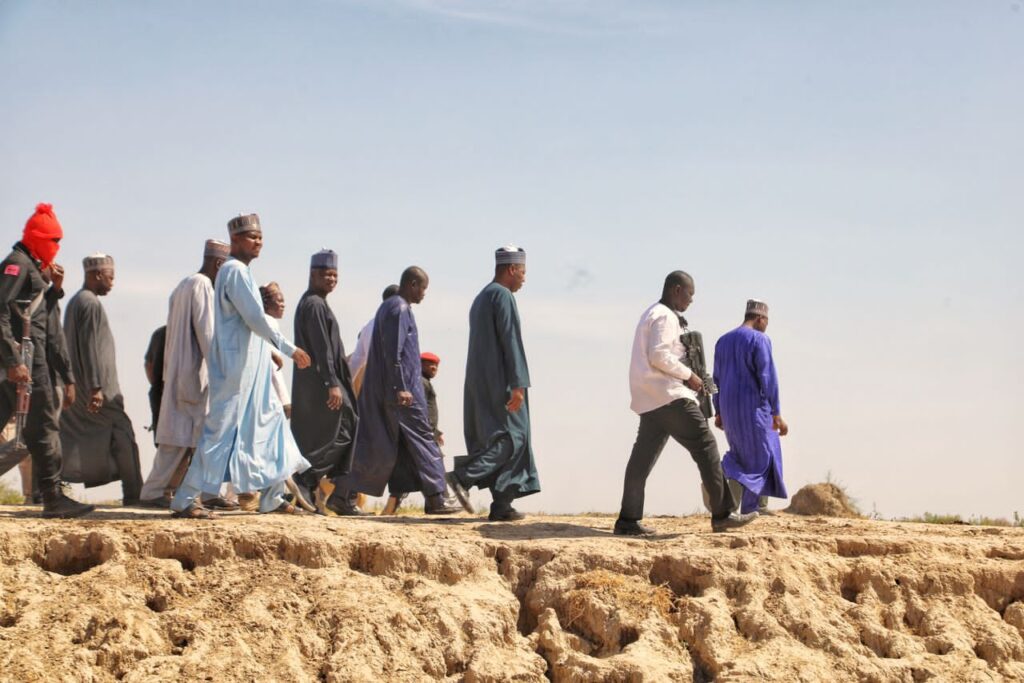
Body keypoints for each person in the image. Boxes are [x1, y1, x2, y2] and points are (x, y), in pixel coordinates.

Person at [169, 213, 312, 519]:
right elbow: (255, 318)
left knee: (270, 423)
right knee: (220, 432)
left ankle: (273, 497)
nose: (258, 242)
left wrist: (268, 354)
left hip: (253, 369)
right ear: (235, 240)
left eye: (260, 236)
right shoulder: (233, 271)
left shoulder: (241, 272)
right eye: (251, 237)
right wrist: (288, 348)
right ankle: (184, 498)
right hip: (235, 369)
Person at [613, 271, 758, 535]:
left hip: (649, 398)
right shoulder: (665, 316)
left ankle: (628, 520)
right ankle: (723, 513)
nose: (691, 300)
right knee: (706, 446)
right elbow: (658, 355)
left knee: (641, 459)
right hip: (670, 395)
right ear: (677, 290)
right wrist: (690, 376)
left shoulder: (651, 313)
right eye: (689, 294)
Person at [339, 266, 461, 516]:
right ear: (413, 284)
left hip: (384, 389)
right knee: (425, 440)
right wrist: (401, 388)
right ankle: (438, 499)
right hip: (402, 392)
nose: (424, 294)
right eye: (423, 288)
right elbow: (394, 352)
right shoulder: (400, 308)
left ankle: (342, 496)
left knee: (373, 445)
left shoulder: (388, 307)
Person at [0, 203, 93, 517]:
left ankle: (53, 498)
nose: (57, 248)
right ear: (37, 238)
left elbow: (43, 322)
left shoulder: (33, 268)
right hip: (22, 362)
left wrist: (53, 290)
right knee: (44, 428)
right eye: (53, 241)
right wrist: (13, 360)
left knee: (42, 428)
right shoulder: (17, 264)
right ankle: (53, 500)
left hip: (30, 361)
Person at [447, 246, 539, 522]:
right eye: (522, 272)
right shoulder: (502, 296)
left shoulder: (481, 297)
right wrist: (518, 384)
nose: (524, 278)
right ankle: (461, 477)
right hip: (502, 381)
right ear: (511, 269)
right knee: (513, 438)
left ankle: (502, 504)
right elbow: (511, 341)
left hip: (480, 381)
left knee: (499, 437)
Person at [137, 240, 230, 509]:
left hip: (178, 371)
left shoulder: (182, 285)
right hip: (193, 373)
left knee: (185, 437)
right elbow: (207, 332)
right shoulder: (201, 286)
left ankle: (204, 492)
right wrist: (222, 368)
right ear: (220, 264)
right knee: (184, 439)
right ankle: (155, 492)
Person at [60, 253, 143, 506]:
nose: (112, 283)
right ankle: (134, 496)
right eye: (110, 277)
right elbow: (90, 348)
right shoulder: (89, 303)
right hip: (99, 390)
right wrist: (96, 387)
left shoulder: (77, 301)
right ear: (96, 275)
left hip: (85, 387)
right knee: (124, 435)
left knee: (73, 437)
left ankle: (45, 488)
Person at [291, 249, 360, 513]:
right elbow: (322, 348)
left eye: (335, 275)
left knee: (330, 433)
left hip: (318, 382)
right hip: (322, 383)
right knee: (346, 427)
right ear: (313, 275)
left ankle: (327, 492)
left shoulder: (316, 302)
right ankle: (305, 478)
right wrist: (332, 382)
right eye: (326, 274)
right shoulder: (315, 305)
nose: (331, 279)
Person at [713, 299, 789, 515]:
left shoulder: (723, 341)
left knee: (741, 454)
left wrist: (718, 410)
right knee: (765, 454)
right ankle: (749, 507)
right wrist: (776, 413)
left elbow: (716, 379)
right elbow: (768, 377)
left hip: (729, 409)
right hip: (754, 408)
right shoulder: (759, 339)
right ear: (760, 319)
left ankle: (741, 505)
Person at [383, 350, 444, 515]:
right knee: (432, 465)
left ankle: (433, 505)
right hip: (421, 434)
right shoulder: (421, 383)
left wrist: (435, 431)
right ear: (419, 365)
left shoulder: (422, 382)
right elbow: (421, 411)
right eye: (429, 364)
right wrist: (431, 432)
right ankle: (436, 504)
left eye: (436, 365)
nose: (433, 368)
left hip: (422, 433)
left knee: (411, 471)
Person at [348, 283, 399, 396]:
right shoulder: (394, 324)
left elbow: (356, 361)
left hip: (372, 386)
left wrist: (344, 385)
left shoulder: (368, 326)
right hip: (389, 387)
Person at [259, 282, 291, 418]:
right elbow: (273, 366)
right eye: (279, 301)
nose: (283, 305)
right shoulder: (269, 322)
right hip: (269, 397)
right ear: (266, 303)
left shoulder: (258, 322)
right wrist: (285, 400)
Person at [143, 325, 166, 442]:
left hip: (159, 396)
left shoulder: (159, 333)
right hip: (168, 401)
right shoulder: (186, 335)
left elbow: (148, 365)